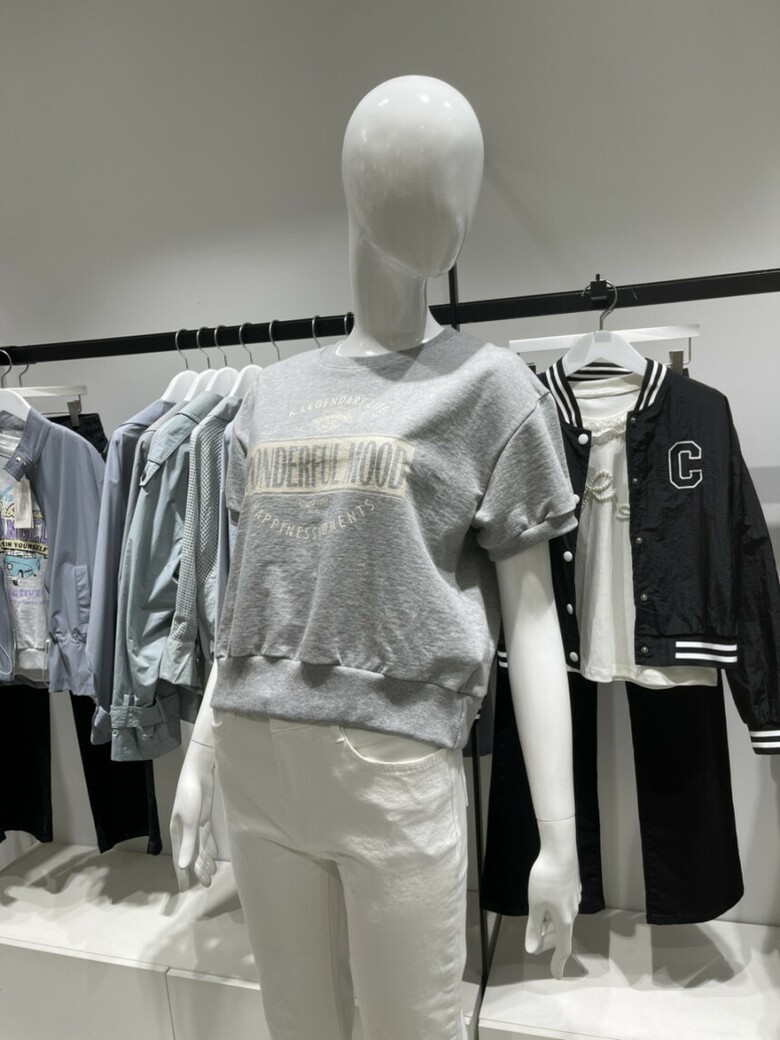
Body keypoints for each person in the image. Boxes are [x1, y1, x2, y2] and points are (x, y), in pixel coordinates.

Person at [171, 75, 580, 1040]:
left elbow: (532, 619)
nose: (447, 201)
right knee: (297, 1026)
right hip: (256, 757)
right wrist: (199, 756)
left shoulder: (491, 387)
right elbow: (249, 594)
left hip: (394, 765)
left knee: (413, 1027)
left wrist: (560, 838)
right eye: (421, 172)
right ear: (357, 187)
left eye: (459, 179)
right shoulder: (270, 397)